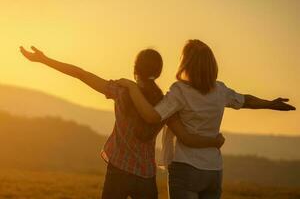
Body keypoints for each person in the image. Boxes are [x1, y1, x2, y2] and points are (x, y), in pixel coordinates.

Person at [20, 46, 225, 199]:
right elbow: (185, 136)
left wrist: (44, 60)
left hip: (118, 170)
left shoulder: (121, 91)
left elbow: (80, 74)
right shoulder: (165, 104)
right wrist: (213, 141)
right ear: (159, 73)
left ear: (135, 70)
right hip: (146, 176)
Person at [116, 39, 296, 199]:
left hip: (186, 168)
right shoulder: (220, 90)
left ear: (187, 64)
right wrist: (270, 104)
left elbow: (152, 116)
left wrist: (132, 88)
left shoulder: (180, 91)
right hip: (214, 171)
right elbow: (245, 100)